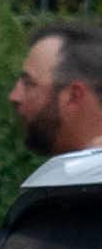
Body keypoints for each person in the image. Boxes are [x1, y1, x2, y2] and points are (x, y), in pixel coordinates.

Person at [10, 22, 102, 159]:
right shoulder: (70, 174)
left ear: (74, 96)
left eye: (29, 84)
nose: (14, 97)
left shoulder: (90, 175)